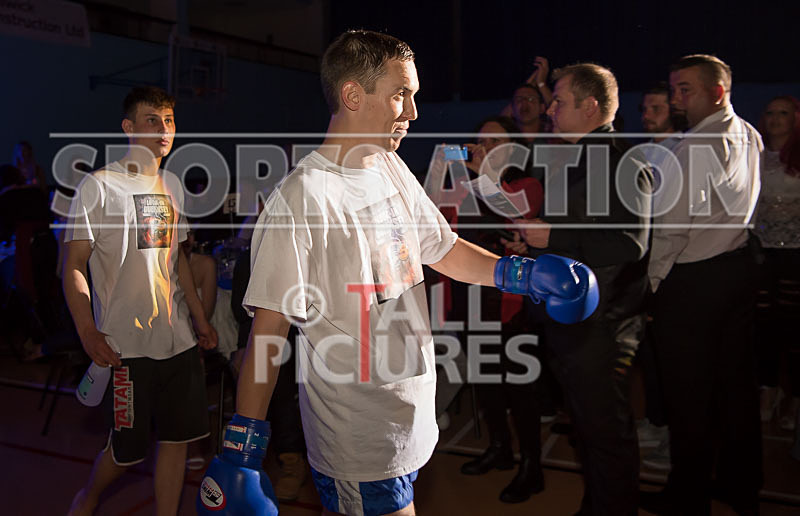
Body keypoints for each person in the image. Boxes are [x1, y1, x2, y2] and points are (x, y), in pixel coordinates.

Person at [199, 30, 598, 516]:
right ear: (352, 95)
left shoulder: (389, 166)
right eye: (400, 94)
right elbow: (268, 332)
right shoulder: (301, 199)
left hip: (407, 419)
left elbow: (443, 249)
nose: (412, 112)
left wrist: (521, 274)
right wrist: (243, 447)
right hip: (359, 439)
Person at [64, 86, 218, 516]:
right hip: (125, 347)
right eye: (152, 120)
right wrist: (87, 331)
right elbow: (73, 265)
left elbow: (177, 259)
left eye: (169, 121)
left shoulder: (170, 184)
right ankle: (88, 498)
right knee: (126, 452)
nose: (163, 129)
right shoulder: (99, 187)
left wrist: (201, 321)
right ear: (128, 128)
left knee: (175, 441)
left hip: (179, 341)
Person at [516, 63, 652, 516]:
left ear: (590, 106)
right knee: (591, 430)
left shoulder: (618, 158)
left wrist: (552, 238)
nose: (550, 109)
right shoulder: (580, 156)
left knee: (605, 432)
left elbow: (630, 244)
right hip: (577, 323)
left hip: (603, 325)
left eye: (558, 101)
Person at [642, 55, 762, 516]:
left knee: (688, 395)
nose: (675, 98)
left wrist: (651, 285)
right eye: (674, 88)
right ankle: (740, 486)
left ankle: (688, 497)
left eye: (684, 89)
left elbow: (672, 231)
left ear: (717, 91)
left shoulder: (690, 148)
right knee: (735, 390)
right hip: (737, 270)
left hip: (695, 282)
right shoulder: (749, 133)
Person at [752, 96, 800, 432]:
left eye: (782, 113)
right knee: (763, 324)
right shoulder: (755, 156)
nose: (775, 119)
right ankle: (767, 391)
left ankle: (794, 397)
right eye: (770, 113)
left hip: (796, 254)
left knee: (794, 328)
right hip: (761, 252)